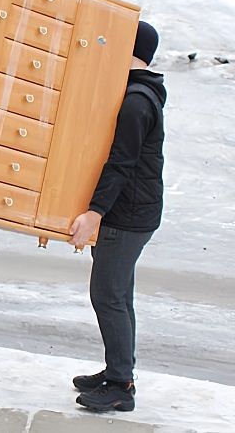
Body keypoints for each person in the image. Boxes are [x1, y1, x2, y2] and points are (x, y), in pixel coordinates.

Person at [68, 21, 166, 414]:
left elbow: (121, 163)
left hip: (127, 215)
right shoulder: (139, 93)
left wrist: (95, 214)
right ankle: (118, 372)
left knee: (107, 295)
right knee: (119, 295)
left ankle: (121, 386)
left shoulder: (136, 101)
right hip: (135, 210)